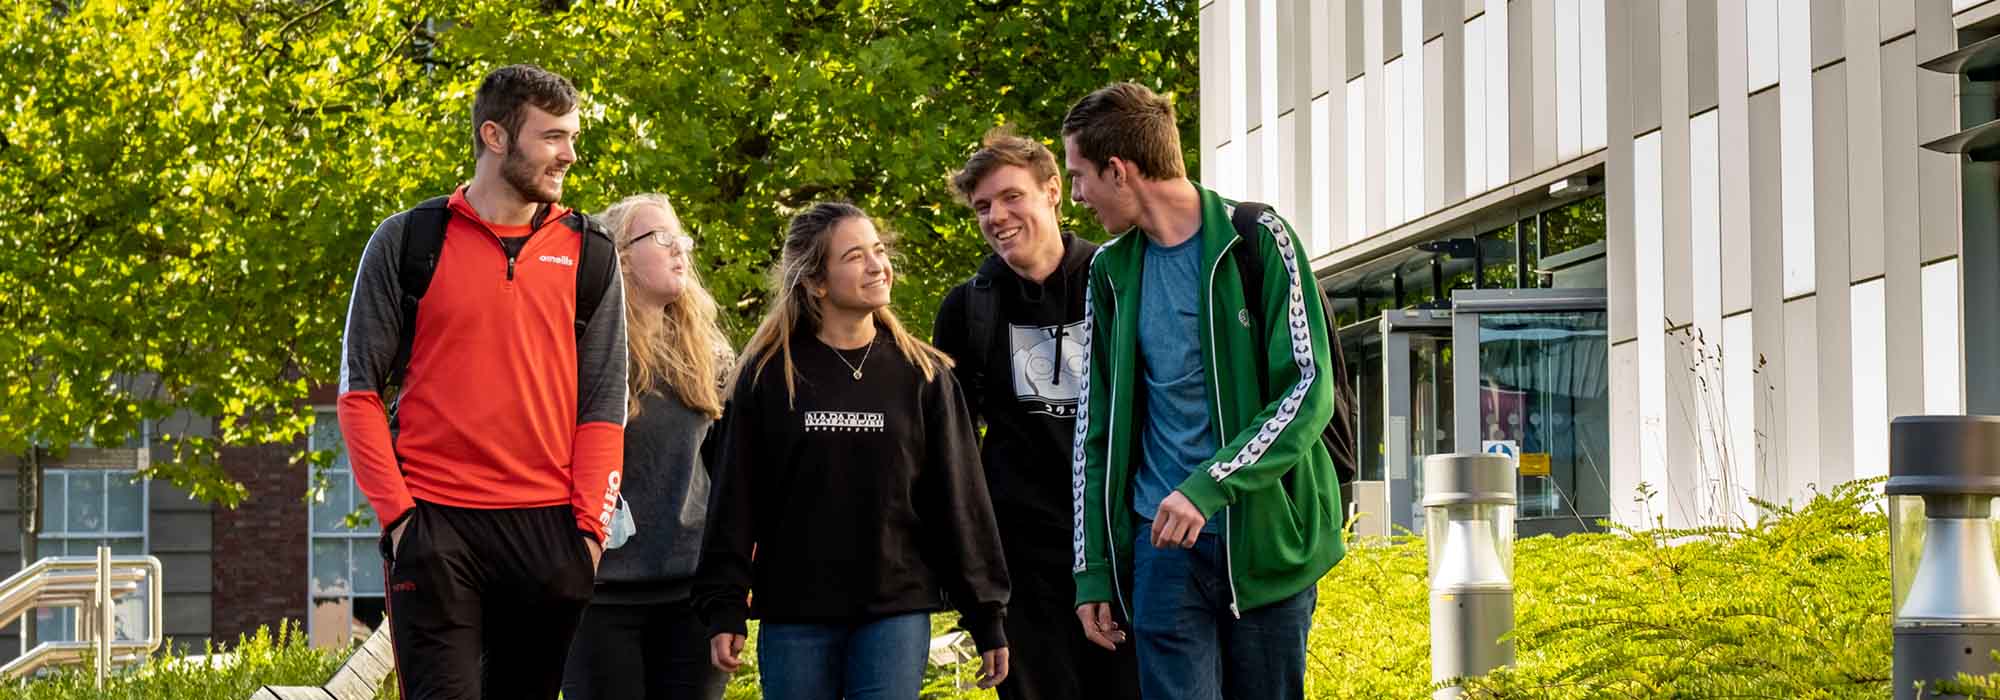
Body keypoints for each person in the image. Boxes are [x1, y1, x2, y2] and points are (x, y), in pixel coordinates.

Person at [336, 64, 626, 699]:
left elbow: (603, 408)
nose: (569, 155)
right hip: (437, 530)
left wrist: (587, 538)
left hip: (550, 539)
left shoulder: (592, 253)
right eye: (552, 138)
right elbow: (358, 394)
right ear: (495, 136)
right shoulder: (408, 240)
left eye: (571, 137)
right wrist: (400, 520)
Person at [1062, 82, 1343, 700]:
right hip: (1160, 548)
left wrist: (1208, 485)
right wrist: (1093, 572)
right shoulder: (1109, 272)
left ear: (1119, 170)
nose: (1075, 197)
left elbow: (1308, 386)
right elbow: (1094, 432)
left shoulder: (1259, 238)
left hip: (1265, 542)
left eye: (1080, 176)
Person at [694, 201, 1011, 699]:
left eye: (878, 251)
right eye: (855, 256)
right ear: (817, 282)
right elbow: (734, 501)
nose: (876, 265)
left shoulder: (923, 375)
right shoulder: (769, 377)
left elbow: (960, 501)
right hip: (796, 614)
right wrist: (725, 603)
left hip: (895, 614)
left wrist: (986, 615)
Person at [932, 128, 1141, 700]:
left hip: (1121, 551)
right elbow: (951, 452)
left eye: (1010, 197)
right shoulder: (966, 308)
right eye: (982, 207)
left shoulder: (1119, 279)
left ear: (1053, 191)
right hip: (1022, 569)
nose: (996, 216)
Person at [561, 194, 732, 700]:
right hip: (599, 599)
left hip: (691, 597)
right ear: (620, 255)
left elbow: (730, 473)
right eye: (661, 238)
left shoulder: (708, 356)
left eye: (682, 238)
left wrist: (730, 581)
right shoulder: (580, 350)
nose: (680, 249)